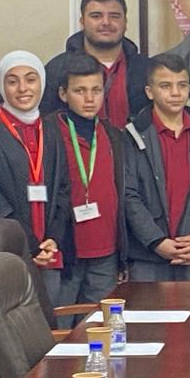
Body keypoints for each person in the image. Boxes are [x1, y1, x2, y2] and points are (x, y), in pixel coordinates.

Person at [0, 52, 71, 306]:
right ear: (1, 86)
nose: (23, 88)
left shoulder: (50, 127)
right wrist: (29, 242)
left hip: (49, 250)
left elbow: (63, 187)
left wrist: (53, 239)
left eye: (30, 79)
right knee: (12, 322)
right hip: (8, 248)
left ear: (42, 83)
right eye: (12, 81)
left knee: (49, 322)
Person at [122, 54, 190, 280]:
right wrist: (156, 241)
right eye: (166, 86)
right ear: (150, 92)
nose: (175, 93)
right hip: (147, 258)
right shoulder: (132, 135)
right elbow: (128, 195)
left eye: (182, 85)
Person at [50, 53, 129, 309]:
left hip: (106, 249)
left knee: (100, 321)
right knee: (61, 321)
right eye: (79, 91)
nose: (89, 98)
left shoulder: (113, 135)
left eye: (96, 90)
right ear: (63, 94)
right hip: (66, 249)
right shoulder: (50, 132)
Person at [41, 0, 150, 127]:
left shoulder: (147, 69)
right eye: (96, 16)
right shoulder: (57, 70)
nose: (106, 22)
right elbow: (46, 123)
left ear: (125, 23)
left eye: (114, 16)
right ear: (82, 22)